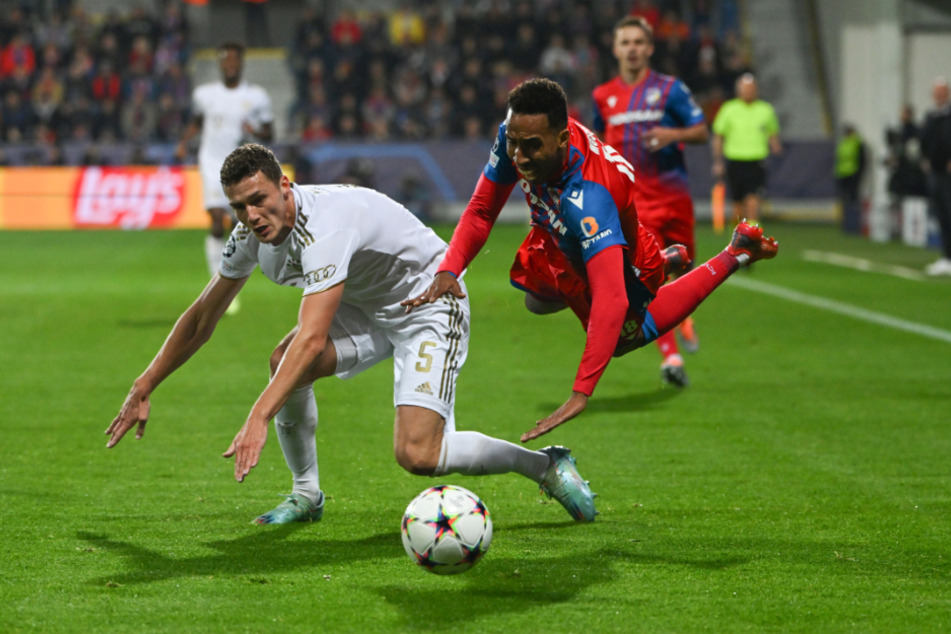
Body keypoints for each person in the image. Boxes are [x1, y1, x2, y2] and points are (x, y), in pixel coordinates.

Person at [105, 143, 597, 525]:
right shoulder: (250, 235)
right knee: (285, 364)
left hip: (429, 303)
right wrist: (145, 382)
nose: (252, 215)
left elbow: (313, 338)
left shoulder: (327, 226)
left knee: (419, 455)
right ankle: (306, 494)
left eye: (259, 200)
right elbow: (201, 318)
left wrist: (258, 415)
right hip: (367, 306)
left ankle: (545, 466)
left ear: (285, 187)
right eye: (239, 207)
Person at [403, 78, 778, 443]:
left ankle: (735, 252)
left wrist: (581, 392)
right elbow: (483, 209)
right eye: (514, 144)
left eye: (531, 147)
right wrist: (450, 268)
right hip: (557, 236)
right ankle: (666, 261)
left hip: (627, 262)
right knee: (534, 301)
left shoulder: (590, 196)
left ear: (563, 139)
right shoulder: (515, 134)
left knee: (619, 337)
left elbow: (612, 298)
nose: (518, 157)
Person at [592, 15, 709, 388]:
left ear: (649, 48)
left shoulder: (670, 90)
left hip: (674, 197)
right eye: (625, 42)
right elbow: (595, 141)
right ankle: (670, 358)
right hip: (635, 206)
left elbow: (702, 130)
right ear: (615, 49)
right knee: (649, 281)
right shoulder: (603, 96)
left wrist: (672, 133)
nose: (632, 49)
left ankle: (683, 316)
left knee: (685, 269)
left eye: (638, 42)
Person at [175, 42, 274, 312]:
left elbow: (269, 133)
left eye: (234, 61)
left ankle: (232, 278)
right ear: (220, 64)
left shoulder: (256, 97)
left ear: (240, 64)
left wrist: (253, 129)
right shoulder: (205, 94)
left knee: (238, 225)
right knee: (217, 219)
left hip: (240, 165)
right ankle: (217, 287)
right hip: (210, 161)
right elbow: (198, 120)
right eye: (225, 61)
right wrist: (184, 142)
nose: (230, 65)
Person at [711, 73, 781, 224]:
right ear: (738, 90)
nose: (747, 92)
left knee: (753, 198)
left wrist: (776, 147)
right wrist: (718, 162)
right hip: (735, 160)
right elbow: (718, 136)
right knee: (737, 202)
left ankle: (753, 234)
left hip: (756, 160)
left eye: (750, 89)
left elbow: (772, 133)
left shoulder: (765, 110)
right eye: (744, 89)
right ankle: (737, 237)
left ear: (756, 90)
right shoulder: (729, 109)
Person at [920, 77, 951, 276]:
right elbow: (925, 140)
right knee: (941, 215)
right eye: (936, 93)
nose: (939, 97)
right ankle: (946, 257)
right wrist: (925, 159)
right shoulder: (931, 116)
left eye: (942, 93)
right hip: (936, 172)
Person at [833, 123, 866, 235]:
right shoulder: (843, 143)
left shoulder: (857, 143)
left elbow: (861, 161)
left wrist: (857, 175)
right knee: (845, 201)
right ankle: (846, 225)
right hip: (842, 175)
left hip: (852, 176)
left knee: (853, 201)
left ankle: (854, 226)